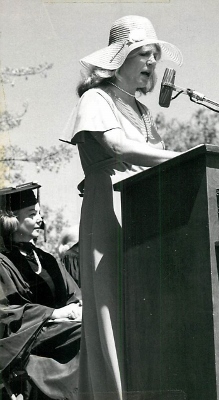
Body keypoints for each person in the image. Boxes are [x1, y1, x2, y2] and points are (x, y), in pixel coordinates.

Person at [60, 15, 183, 400]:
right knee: (112, 306)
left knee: (142, 307)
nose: (152, 63)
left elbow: (157, 155)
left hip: (145, 209)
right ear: (121, 57)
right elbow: (116, 147)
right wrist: (183, 155)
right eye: (144, 54)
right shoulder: (95, 98)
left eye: (155, 56)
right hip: (109, 208)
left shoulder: (144, 113)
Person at [0, 183, 82, 400]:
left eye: (40, 213)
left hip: (58, 331)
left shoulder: (47, 259)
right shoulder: (2, 262)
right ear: (12, 219)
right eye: (32, 213)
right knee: (85, 335)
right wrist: (54, 314)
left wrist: (79, 308)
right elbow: (5, 314)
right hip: (26, 338)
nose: (40, 219)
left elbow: (74, 296)